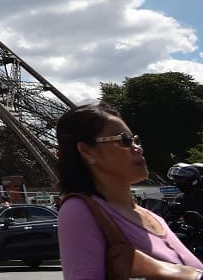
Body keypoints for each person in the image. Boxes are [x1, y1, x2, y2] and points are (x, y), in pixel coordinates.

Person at [56, 103, 203, 278]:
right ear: (87, 151)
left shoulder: (154, 219)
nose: (137, 148)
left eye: (135, 140)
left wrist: (162, 270)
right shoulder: (80, 210)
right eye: (124, 140)